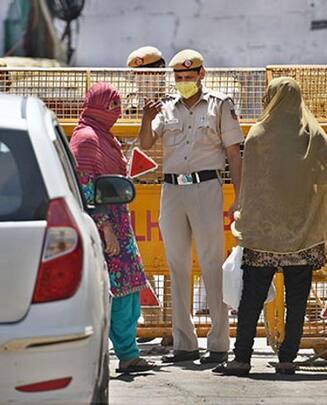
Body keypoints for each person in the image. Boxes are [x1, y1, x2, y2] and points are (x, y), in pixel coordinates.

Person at [213, 77, 327, 376]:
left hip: (264, 236)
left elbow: (252, 189)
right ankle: (287, 359)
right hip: (303, 234)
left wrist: (249, 223)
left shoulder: (258, 136)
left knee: (251, 298)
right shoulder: (313, 135)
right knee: (297, 300)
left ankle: (241, 358)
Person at [138, 49, 243, 364]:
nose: (184, 82)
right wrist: (145, 119)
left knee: (212, 264)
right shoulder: (166, 107)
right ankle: (184, 342)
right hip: (171, 189)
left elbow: (235, 153)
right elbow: (145, 143)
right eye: (179, 78)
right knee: (177, 265)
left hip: (206, 187)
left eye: (189, 76)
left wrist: (240, 196)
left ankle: (219, 342)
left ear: (202, 74)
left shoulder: (220, 105)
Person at [70, 82, 155, 373]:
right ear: (96, 107)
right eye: (112, 106)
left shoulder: (103, 136)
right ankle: (125, 355)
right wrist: (105, 228)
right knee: (117, 290)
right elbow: (85, 189)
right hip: (104, 225)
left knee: (129, 286)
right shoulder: (87, 139)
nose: (118, 112)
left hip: (118, 222)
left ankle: (128, 352)